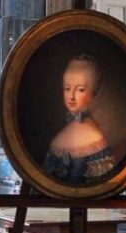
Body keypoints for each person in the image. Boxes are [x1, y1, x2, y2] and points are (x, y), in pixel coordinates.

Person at [42, 54, 116, 184]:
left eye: (80, 90)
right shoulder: (64, 133)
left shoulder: (94, 140)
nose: (71, 96)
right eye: (67, 88)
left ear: (92, 93)